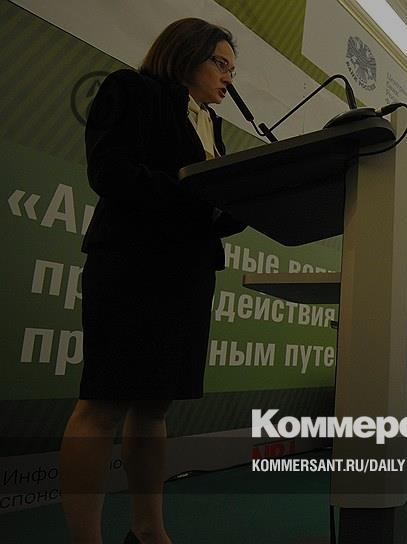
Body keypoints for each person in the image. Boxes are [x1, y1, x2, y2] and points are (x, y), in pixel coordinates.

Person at [59, 19, 246, 544]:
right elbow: (110, 171)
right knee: (104, 402)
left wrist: (243, 203)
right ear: (186, 54)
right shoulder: (133, 89)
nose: (229, 77)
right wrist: (200, 201)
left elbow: (210, 203)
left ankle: (148, 531)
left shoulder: (210, 123)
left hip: (188, 272)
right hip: (133, 263)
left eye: (233, 70)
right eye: (221, 64)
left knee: (155, 405)